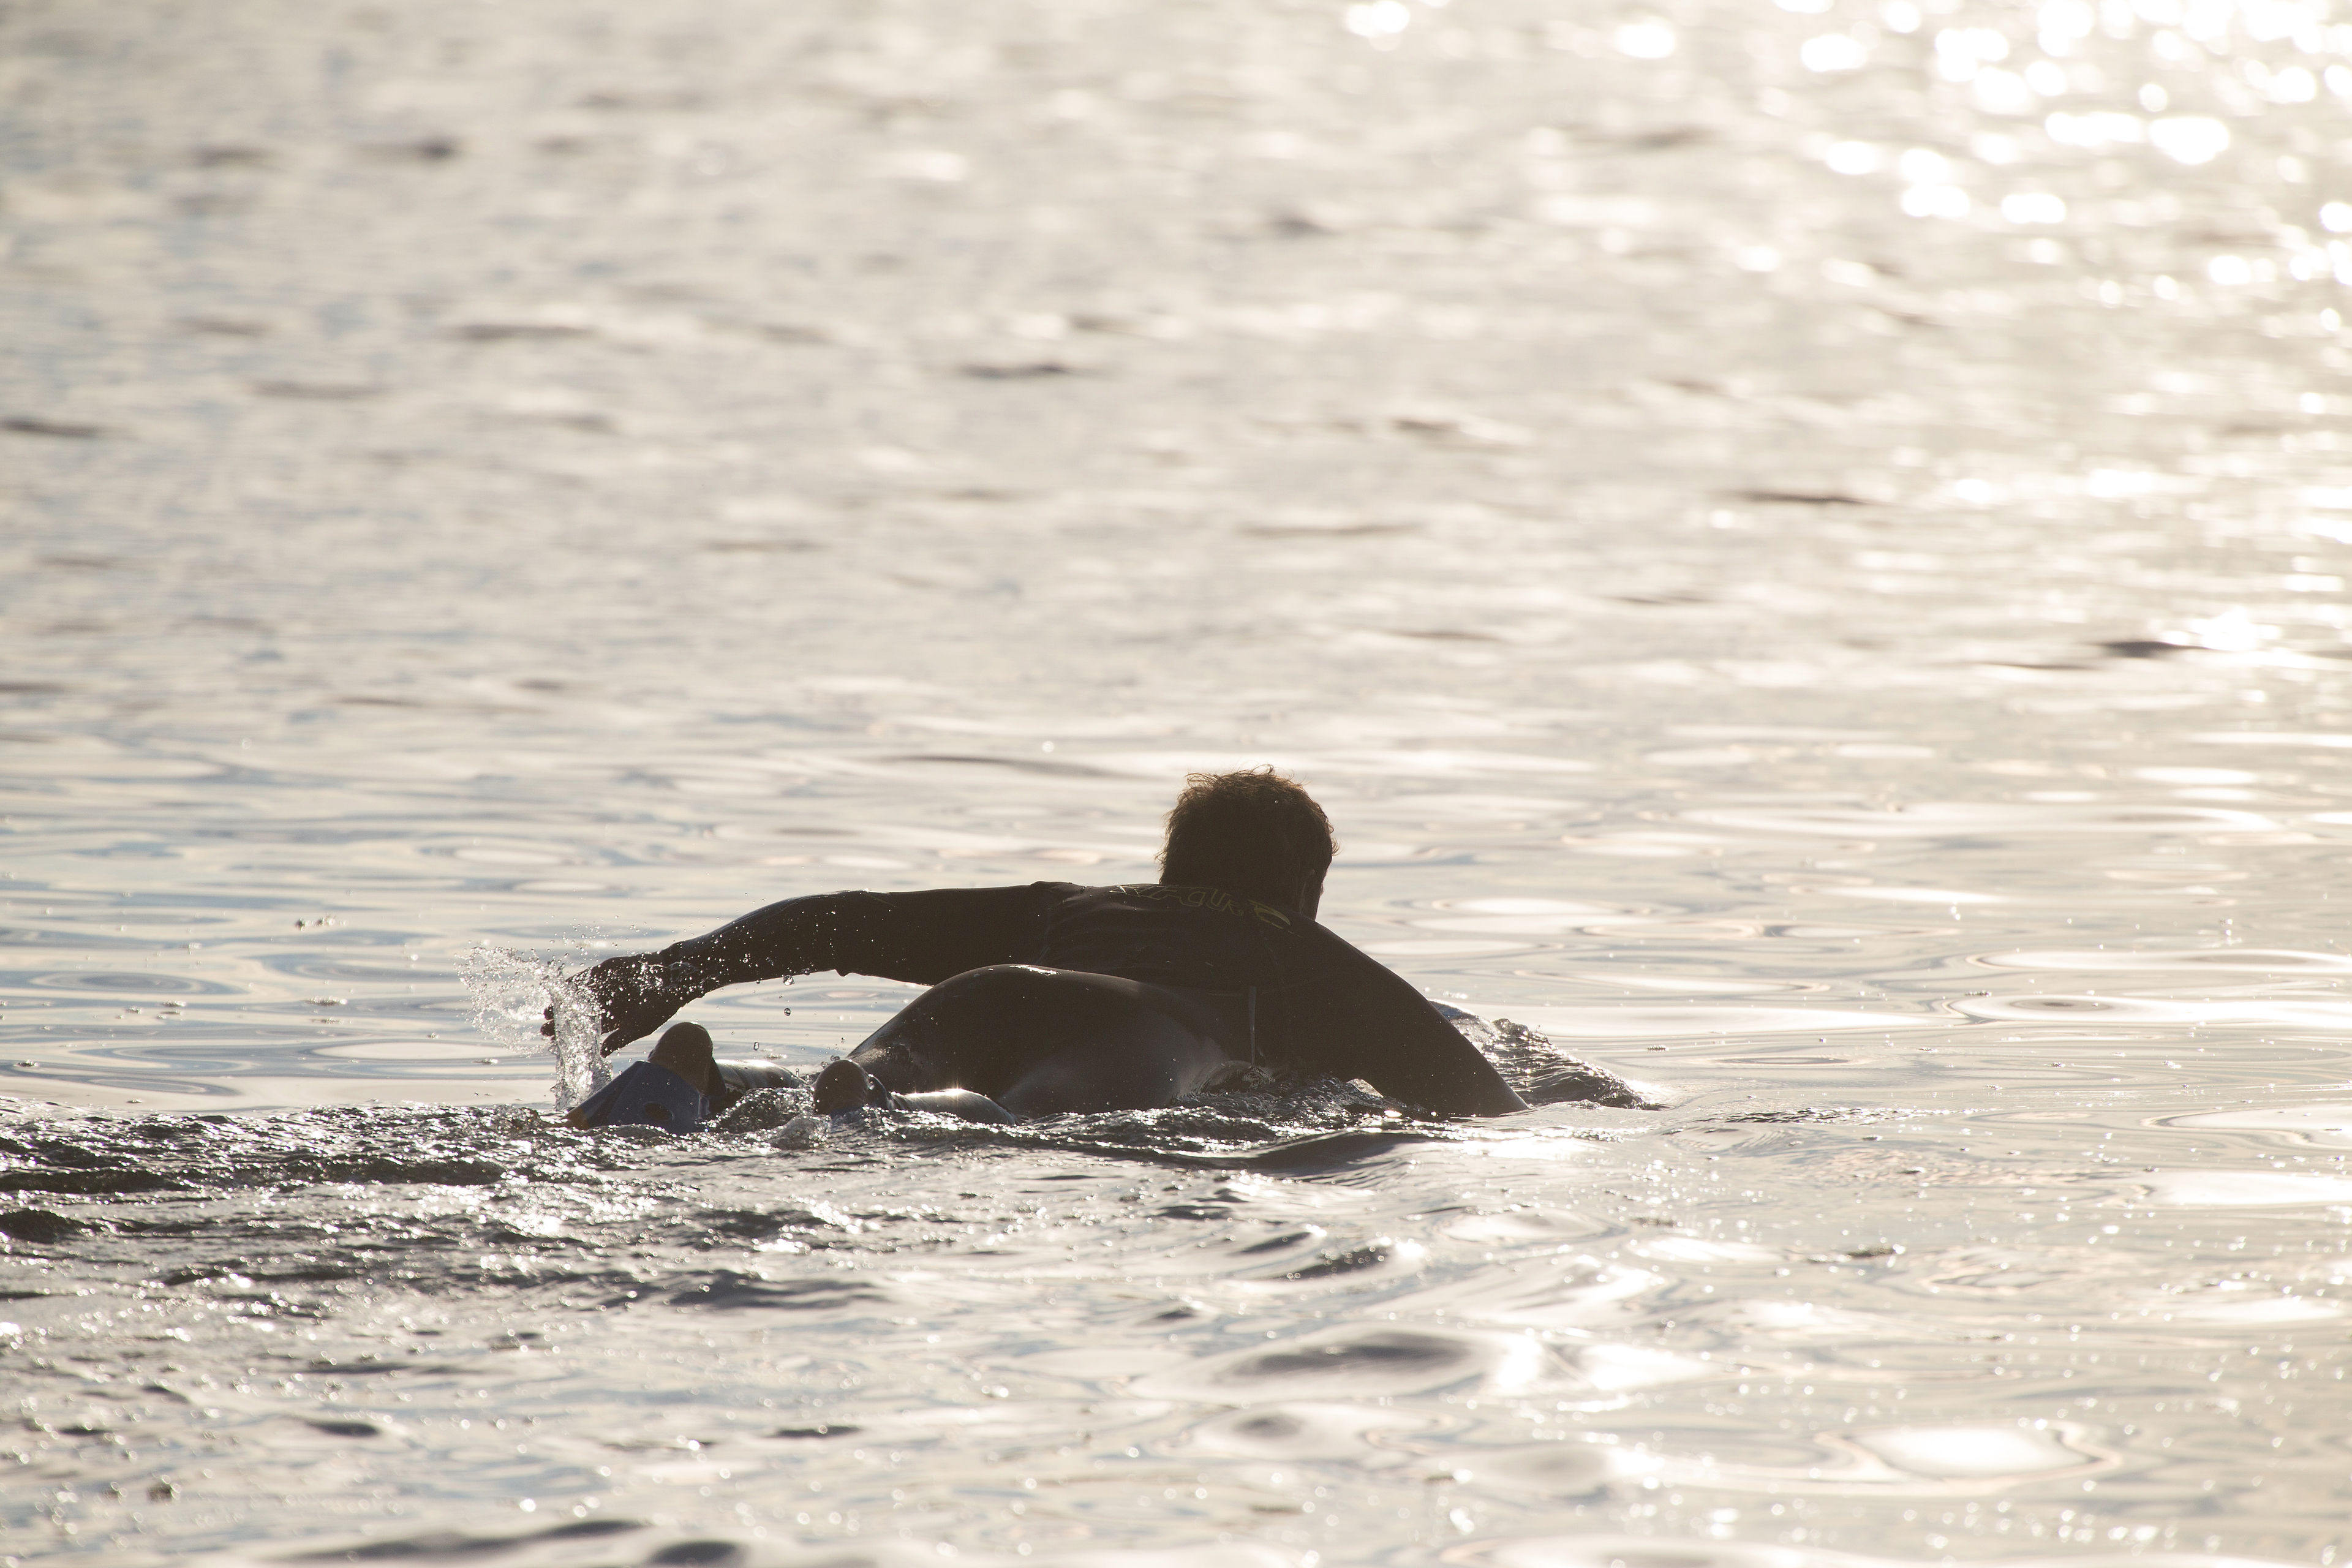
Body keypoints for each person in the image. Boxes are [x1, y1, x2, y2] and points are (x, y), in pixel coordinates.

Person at [550, 768, 1528, 1124]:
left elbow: (842, 921)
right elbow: (1489, 1106)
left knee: (861, 1083)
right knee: (1011, 1122)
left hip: (990, 990)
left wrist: (670, 975)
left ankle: (693, 1086)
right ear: (1306, 891)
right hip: (1144, 1039)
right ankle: (863, 1114)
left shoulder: (1070, 909)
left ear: (1171, 865)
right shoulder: (1320, 969)